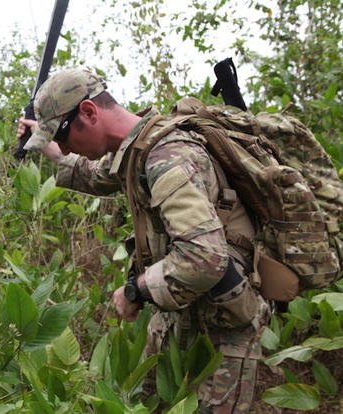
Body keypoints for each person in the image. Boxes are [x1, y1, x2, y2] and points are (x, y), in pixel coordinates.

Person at [17, 68, 269, 412]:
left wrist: (136, 289)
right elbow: (93, 173)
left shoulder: (167, 157)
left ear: (89, 112)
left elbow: (205, 258)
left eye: (61, 135)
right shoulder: (138, 149)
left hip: (223, 328)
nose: (61, 145)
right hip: (182, 315)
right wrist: (45, 140)